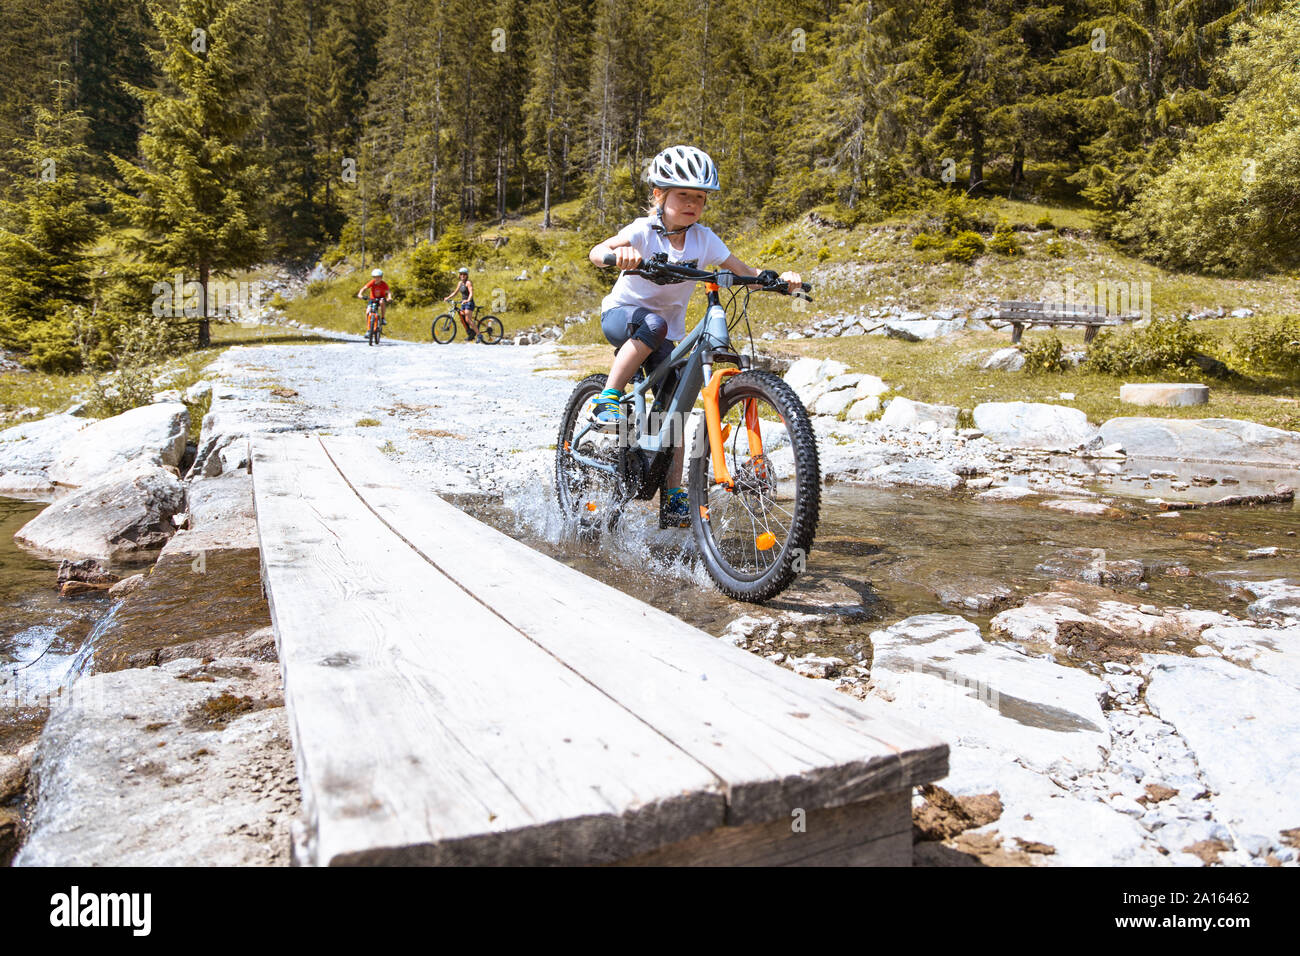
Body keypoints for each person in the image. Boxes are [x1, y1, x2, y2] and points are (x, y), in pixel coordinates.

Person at [587, 144, 801, 527]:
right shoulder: (643, 231)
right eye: (682, 195)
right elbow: (597, 249)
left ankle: (672, 497)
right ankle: (608, 396)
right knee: (654, 325)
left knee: (677, 409)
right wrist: (616, 256)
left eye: (699, 198)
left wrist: (777, 280)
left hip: (665, 337)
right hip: (624, 318)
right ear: (659, 195)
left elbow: (744, 272)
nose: (691, 204)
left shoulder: (704, 239)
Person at [443, 267, 476, 337]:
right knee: (462, 318)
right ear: (459, 275)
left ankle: (479, 335)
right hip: (463, 303)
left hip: (469, 303)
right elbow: (455, 293)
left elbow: (471, 293)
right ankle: (470, 333)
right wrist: (448, 297)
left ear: (467, 275)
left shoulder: (468, 283)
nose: (462, 276)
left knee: (467, 319)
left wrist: (468, 300)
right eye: (461, 274)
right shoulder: (460, 283)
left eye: (464, 274)